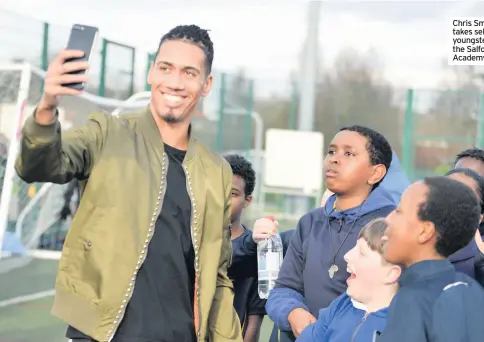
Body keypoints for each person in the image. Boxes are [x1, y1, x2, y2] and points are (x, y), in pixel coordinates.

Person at [15, 25, 241, 342]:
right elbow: (38, 166)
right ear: (152, 72)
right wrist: (48, 105)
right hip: (100, 333)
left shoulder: (216, 169)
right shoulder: (106, 132)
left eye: (189, 73)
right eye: (166, 68)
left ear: (207, 84)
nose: (174, 82)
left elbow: (217, 275)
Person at [264, 125, 397, 342]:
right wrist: (293, 313)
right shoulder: (310, 222)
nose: (334, 159)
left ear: (375, 173)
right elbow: (283, 289)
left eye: (349, 153)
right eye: (332, 151)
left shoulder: (391, 226)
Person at [378, 176, 484, 342]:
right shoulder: (472, 290)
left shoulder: (413, 299)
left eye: (399, 212)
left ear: (424, 231)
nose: (388, 220)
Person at [296, 218, 401, 342]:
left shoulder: (402, 326)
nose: (347, 256)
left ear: (390, 274)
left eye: (362, 253)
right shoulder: (341, 305)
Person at [224, 154, 265, 342]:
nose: (223, 199)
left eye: (232, 194)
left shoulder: (256, 250)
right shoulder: (190, 239)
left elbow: (253, 320)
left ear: (247, 200)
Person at [445, 168, 484, 295]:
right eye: (442, 193)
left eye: (462, 199)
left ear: (478, 218)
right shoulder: (407, 251)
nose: (447, 203)